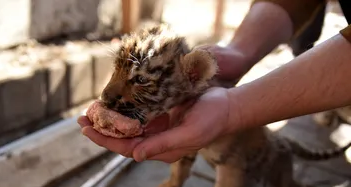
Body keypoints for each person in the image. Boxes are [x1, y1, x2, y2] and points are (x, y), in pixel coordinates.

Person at [78, 0, 351, 163]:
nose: (108, 93)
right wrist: (241, 51)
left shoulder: (192, 79)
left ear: (193, 75)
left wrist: (236, 109)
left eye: (140, 81)